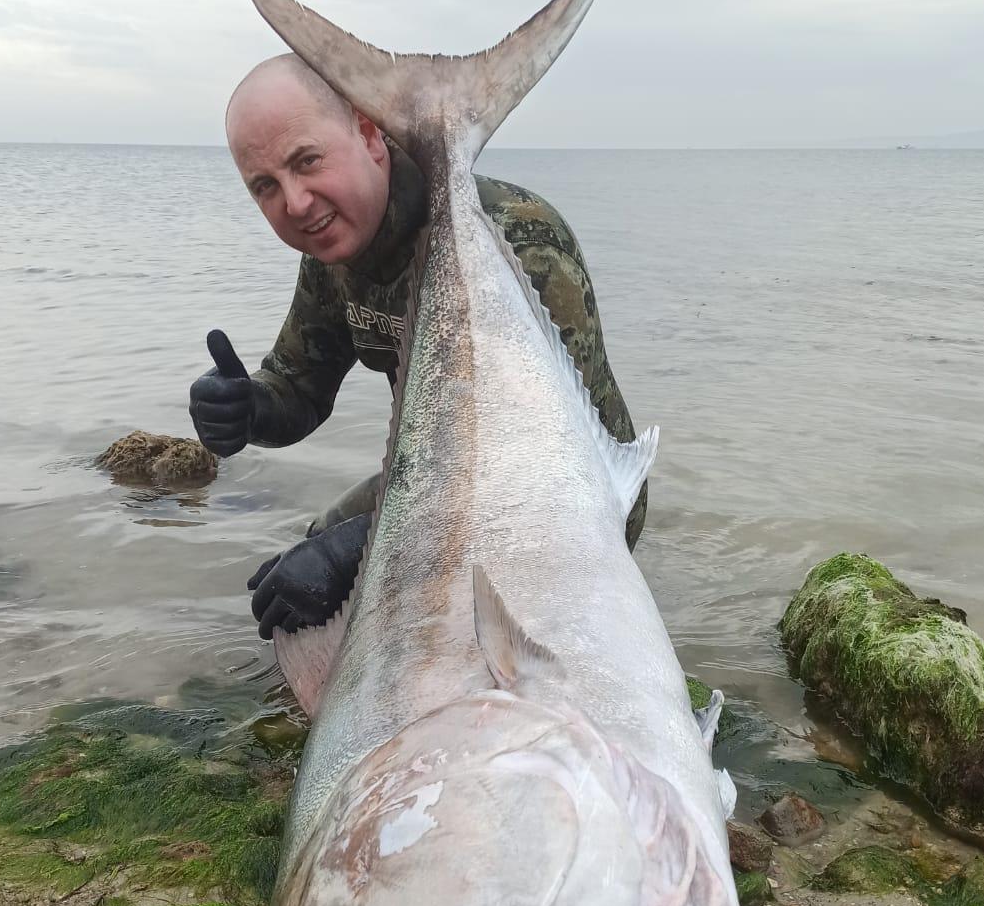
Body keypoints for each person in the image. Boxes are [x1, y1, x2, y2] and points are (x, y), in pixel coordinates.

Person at [190, 55, 645, 639]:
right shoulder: (334, 253)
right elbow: (300, 388)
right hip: (442, 483)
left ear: (368, 134)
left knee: (377, 581)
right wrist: (247, 408)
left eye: (307, 161)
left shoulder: (517, 237)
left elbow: (544, 474)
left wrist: (363, 549)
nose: (296, 203)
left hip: (575, 502)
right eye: (266, 187)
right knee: (310, 564)